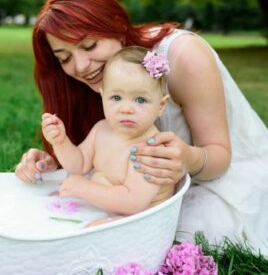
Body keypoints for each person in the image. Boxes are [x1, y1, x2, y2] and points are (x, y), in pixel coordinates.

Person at [15, 0, 268, 268]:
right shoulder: (89, 79)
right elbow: (91, 154)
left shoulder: (181, 55)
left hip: (216, 175)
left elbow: (219, 157)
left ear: (116, 26)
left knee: (188, 234)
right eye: (64, 57)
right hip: (137, 183)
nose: (81, 65)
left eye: (89, 45)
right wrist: (53, 157)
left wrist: (186, 159)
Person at [41, 46, 174, 224]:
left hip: (141, 221)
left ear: (160, 106)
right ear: (103, 96)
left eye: (140, 100)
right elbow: (78, 166)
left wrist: (84, 188)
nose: (126, 109)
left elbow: (134, 202)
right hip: (107, 209)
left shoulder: (151, 150)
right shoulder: (102, 129)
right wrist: (61, 142)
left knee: (87, 234)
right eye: (116, 98)